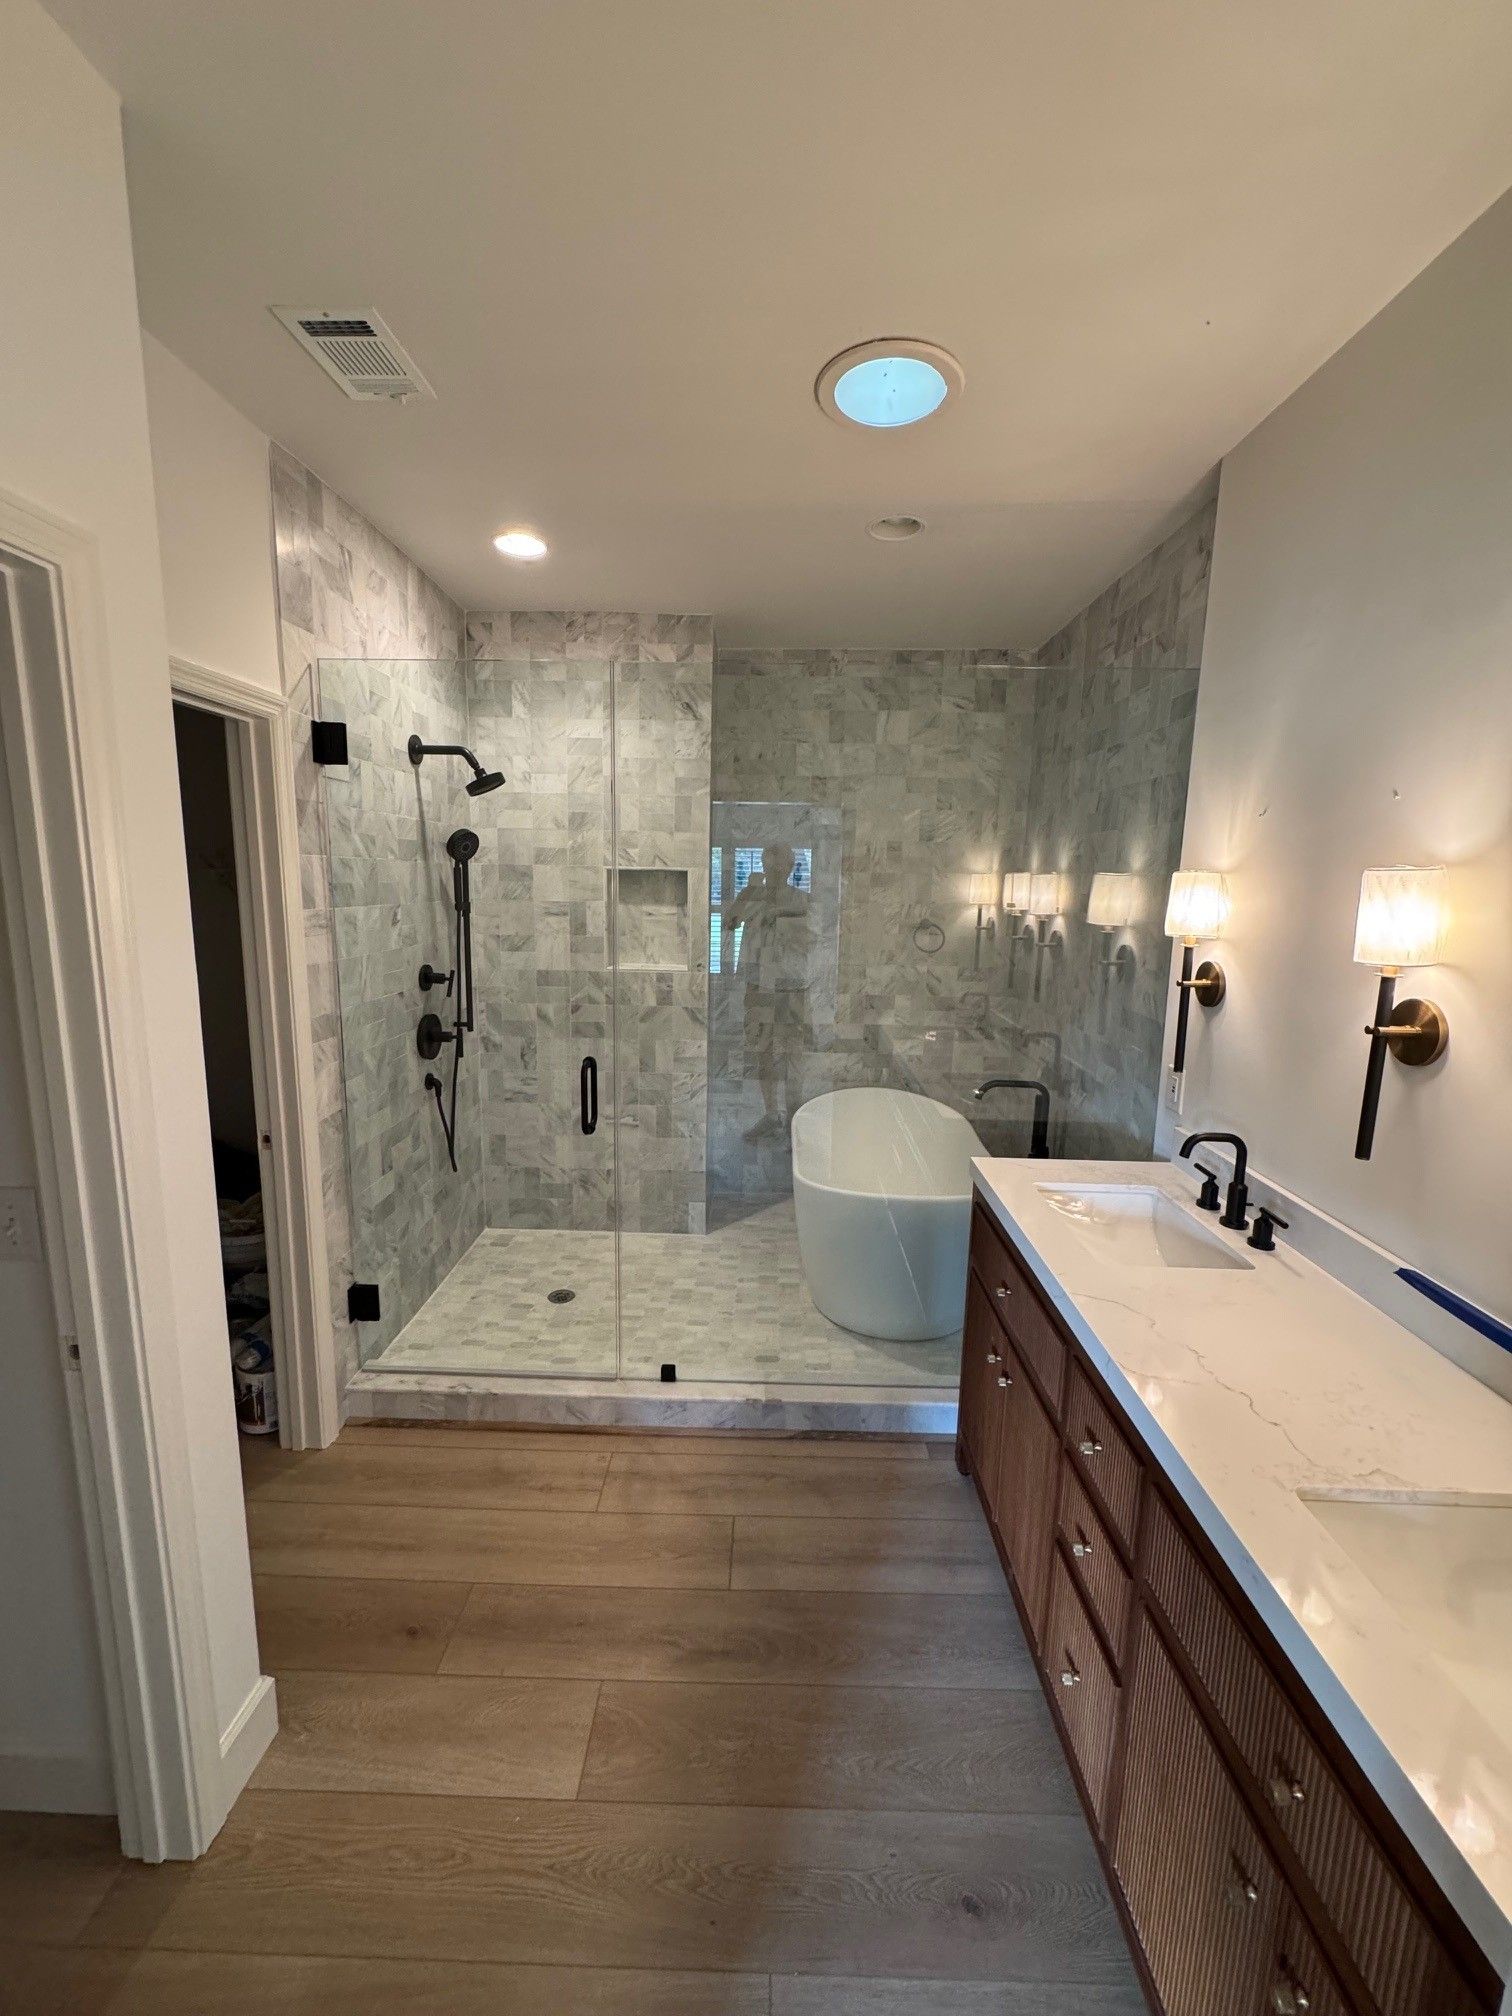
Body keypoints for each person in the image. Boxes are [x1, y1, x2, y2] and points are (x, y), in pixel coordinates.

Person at [724, 843, 811, 1140]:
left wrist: (779, 912)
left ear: (789, 868)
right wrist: (746, 894)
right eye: (768, 865)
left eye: (779, 866)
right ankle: (772, 1114)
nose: (773, 872)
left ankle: (792, 1122)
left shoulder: (801, 899)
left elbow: (811, 938)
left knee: (792, 1055)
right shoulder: (751, 895)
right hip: (758, 983)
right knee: (762, 1049)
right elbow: (729, 923)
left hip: (790, 987)